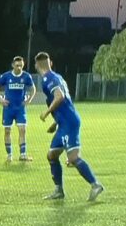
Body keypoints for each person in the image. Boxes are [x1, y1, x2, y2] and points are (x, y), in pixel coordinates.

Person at [35, 52, 104, 202]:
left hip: (69, 123)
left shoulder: (48, 79)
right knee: (52, 155)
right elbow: (65, 104)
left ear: (37, 65)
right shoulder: (58, 77)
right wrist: (55, 123)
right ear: (50, 63)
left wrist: (46, 113)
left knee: (73, 158)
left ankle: (95, 184)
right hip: (64, 122)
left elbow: (60, 97)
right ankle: (58, 190)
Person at [0, 56, 37, 162]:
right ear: (13, 65)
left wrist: (29, 100)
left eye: (21, 65)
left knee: (22, 130)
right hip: (8, 108)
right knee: (7, 131)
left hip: (20, 108)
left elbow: (33, 88)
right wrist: (0, 99)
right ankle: (9, 155)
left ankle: (23, 155)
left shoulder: (26, 76)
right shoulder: (6, 76)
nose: (19, 68)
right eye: (17, 65)